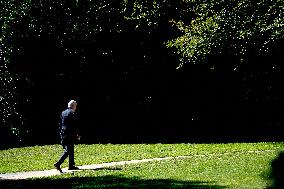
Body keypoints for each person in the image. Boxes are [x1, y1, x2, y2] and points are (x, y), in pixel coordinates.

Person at [54, 100, 81, 173]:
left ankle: (71, 165)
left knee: (71, 149)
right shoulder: (72, 113)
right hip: (70, 134)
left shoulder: (63, 112)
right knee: (68, 150)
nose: (76, 107)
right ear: (73, 106)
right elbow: (74, 126)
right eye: (76, 105)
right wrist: (77, 135)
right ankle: (58, 163)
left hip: (63, 133)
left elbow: (61, 124)